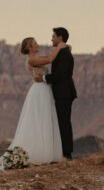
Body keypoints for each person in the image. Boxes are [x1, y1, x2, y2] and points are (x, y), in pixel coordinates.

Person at [5, 36, 69, 164]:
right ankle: (39, 153)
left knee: (45, 119)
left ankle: (46, 151)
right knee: (40, 120)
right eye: (35, 44)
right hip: (40, 91)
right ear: (30, 47)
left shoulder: (35, 58)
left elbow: (49, 58)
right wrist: (60, 47)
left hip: (44, 89)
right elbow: (50, 59)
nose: (38, 45)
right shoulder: (32, 60)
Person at [35, 27, 77, 159]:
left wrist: (44, 78)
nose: (51, 38)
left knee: (64, 123)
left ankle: (67, 154)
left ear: (60, 38)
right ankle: (62, 153)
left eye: (53, 36)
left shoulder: (64, 53)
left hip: (64, 93)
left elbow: (60, 74)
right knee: (61, 122)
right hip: (60, 93)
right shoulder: (63, 52)